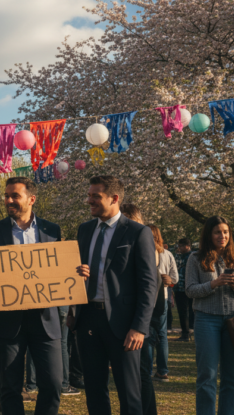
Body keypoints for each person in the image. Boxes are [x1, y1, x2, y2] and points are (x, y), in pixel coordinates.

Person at [0, 176, 65, 415]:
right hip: (8, 320)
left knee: (53, 383)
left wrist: (76, 273)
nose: (9, 200)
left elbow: (59, 270)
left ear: (31, 199)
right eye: (6, 196)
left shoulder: (52, 230)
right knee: (9, 386)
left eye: (15, 196)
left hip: (46, 320)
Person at [74, 176, 158, 415]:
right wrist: (77, 274)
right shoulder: (84, 229)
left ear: (114, 198)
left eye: (95, 196)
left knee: (129, 392)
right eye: (89, 195)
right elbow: (76, 272)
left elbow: (148, 284)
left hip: (124, 325)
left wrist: (140, 327)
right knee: (94, 389)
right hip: (87, 319)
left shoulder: (138, 233)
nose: (88, 200)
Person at [185, 216, 234, 415]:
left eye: (225, 232)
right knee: (207, 375)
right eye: (217, 232)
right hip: (207, 319)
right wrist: (213, 284)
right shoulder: (195, 258)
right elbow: (189, 290)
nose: (222, 236)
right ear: (209, 234)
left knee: (232, 378)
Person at [119, 204, 161, 415]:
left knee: (142, 372)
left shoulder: (142, 243)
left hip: (142, 319)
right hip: (137, 316)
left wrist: (141, 323)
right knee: (138, 373)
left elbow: (149, 285)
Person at [146, 225, 178, 382]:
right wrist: (168, 280)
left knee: (148, 334)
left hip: (147, 298)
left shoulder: (143, 251)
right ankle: (162, 370)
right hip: (162, 297)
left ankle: (147, 368)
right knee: (162, 334)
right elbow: (175, 278)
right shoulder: (167, 254)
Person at [173, 238, 195, 342]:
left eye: (181, 246)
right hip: (179, 287)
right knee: (182, 312)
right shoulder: (178, 255)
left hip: (190, 286)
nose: (179, 248)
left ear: (187, 245)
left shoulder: (193, 256)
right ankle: (185, 333)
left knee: (192, 310)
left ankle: (191, 331)